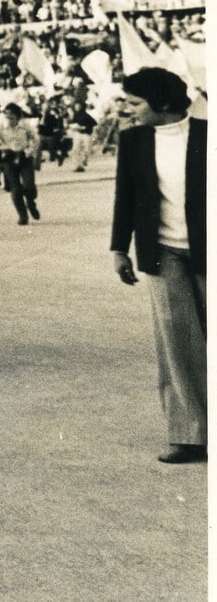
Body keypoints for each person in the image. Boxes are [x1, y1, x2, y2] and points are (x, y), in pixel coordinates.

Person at [107, 67, 206, 464]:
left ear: (162, 103)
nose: (127, 109)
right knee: (177, 346)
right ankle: (189, 435)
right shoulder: (133, 140)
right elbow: (125, 196)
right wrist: (119, 249)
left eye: (134, 103)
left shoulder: (208, 135)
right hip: (163, 253)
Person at [0, 102, 41, 225]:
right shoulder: (0, 126)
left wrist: (30, 150)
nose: (9, 119)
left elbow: (36, 139)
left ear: (18, 116)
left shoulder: (24, 125)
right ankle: (23, 215)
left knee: (29, 186)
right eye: (7, 116)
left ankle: (31, 203)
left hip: (24, 156)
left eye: (12, 117)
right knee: (15, 189)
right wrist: (6, 148)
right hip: (9, 158)